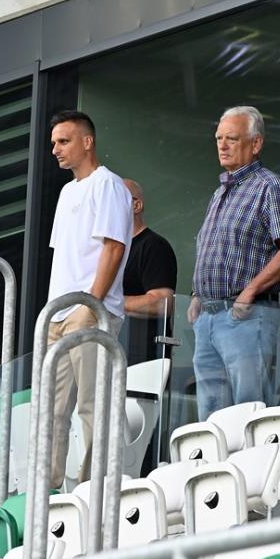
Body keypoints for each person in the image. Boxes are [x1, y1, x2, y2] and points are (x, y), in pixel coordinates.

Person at [190, 105, 280, 419]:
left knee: (248, 410)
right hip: (208, 318)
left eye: (232, 138)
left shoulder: (271, 187)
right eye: (219, 138)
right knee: (211, 415)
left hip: (246, 315)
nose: (222, 145)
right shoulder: (220, 192)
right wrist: (197, 295)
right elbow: (213, 248)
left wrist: (250, 291)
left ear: (255, 144)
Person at [46, 110, 133, 490]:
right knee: (50, 411)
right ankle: (47, 493)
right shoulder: (67, 192)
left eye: (63, 141)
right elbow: (65, 255)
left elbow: (114, 247)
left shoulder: (108, 185)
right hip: (57, 315)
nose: (55, 149)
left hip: (89, 312)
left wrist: (90, 305)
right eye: (53, 143)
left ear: (87, 141)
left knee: (92, 405)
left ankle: (93, 490)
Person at [121, 178, 177, 365]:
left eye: (115, 200)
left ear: (136, 205)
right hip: (112, 355)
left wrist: (111, 301)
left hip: (142, 362)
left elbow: (162, 303)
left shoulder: (154, 246)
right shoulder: (109, 250)